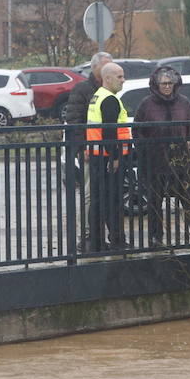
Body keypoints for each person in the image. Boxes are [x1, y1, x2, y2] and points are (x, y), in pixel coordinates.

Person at [133, 66, 190, 248]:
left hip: (182, 160)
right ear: (156, 85)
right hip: (156, 160)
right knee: (155, 202)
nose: (167, 87)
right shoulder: (147, 103)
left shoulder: (184, 102)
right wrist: (145, 148)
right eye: (163, 83)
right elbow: (137, 129)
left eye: (170, 83)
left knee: (189, 200)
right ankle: (155, 238)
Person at [84, 62, 130, 251]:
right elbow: (110, 132)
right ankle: (117, 241)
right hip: (107, 158)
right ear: (108, 78)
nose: (123, 80)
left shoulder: (98, 96)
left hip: (98, 157)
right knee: (113, 202)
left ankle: (96, 241)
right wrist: (116, 157)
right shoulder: (109, 99)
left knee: (98, 201)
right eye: (119, 77)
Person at [66, 52, 110, 248]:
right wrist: (82, 147)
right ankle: (85, 236)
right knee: (89, 194)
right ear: (95, 68)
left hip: (107, 150)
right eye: (105, 66)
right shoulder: (83, 89)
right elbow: (74, 121)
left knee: (106, 194)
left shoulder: (109, 89)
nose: (109, 70)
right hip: (89, 150)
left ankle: (102, 235)